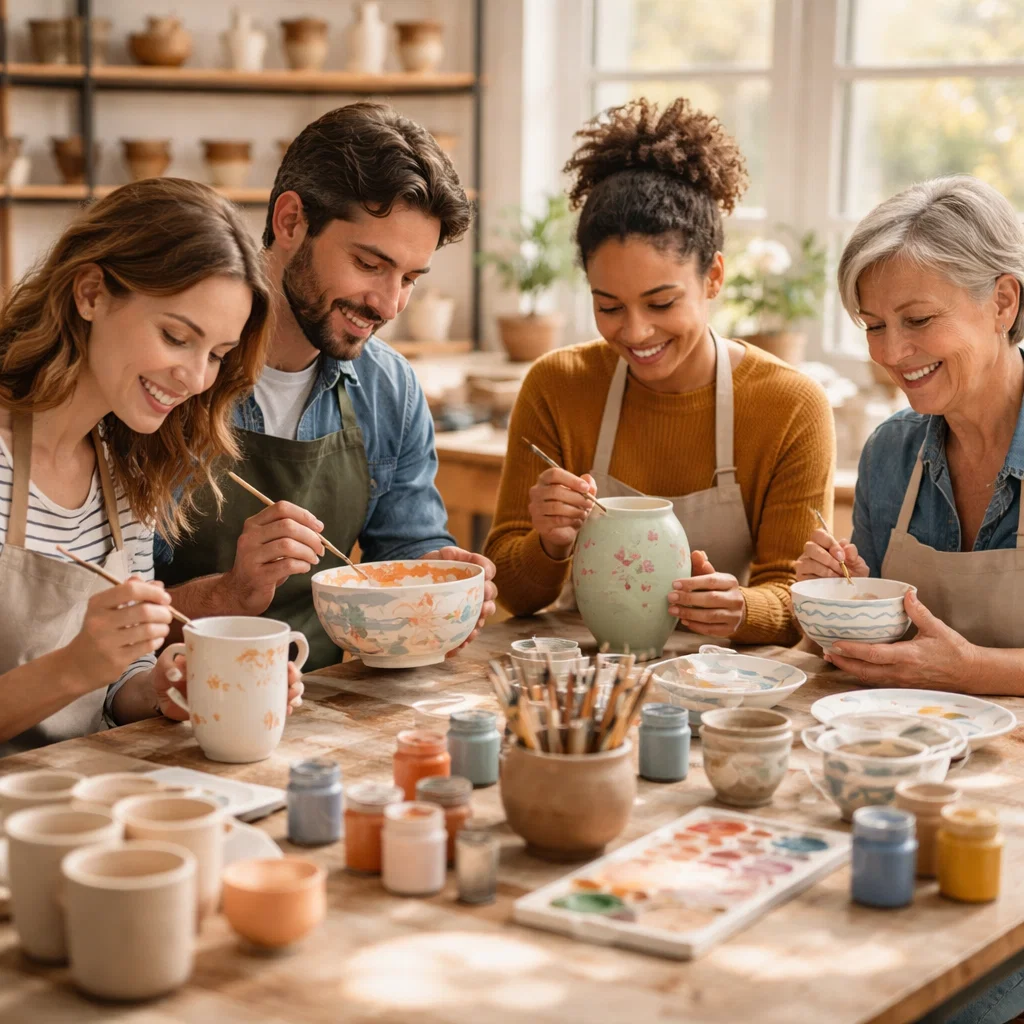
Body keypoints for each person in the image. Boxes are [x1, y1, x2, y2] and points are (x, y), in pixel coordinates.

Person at [156, 102, 497, 670]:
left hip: (329, 701)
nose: (389, 304)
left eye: (410, 278)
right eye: (369, 264)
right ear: (291, 221)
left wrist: (439, 585)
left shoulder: (389, 388)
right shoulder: (170, 377)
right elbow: (103, 620)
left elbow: (403, 554)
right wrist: (229, 593)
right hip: (176, 702)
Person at [485, 98, 834, 645]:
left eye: (661, 303)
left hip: (721, 673)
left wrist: (741, 608)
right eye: (608, 305)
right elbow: (513, 592)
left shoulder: (789, 405)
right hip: (589, 667)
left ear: (713, 277)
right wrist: (549, 542)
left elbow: (797, 597)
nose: (635, 332)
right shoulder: (557, 386)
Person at [0, 178, 302, 756]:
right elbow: (80, 672)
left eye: (216, 355)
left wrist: (167, 688)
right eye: (175, 336)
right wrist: (74, 666)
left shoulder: (125, 468)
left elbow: (114, 688)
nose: (195, 378)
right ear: (91, 293)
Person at [796, 174, 1024, 697]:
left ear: (1003, 302)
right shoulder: (890, 454)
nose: (892, 354)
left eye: (918, 319)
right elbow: (867, 654)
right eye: (874, 326)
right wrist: (833, 600)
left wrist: (972, 669)